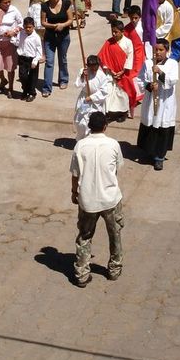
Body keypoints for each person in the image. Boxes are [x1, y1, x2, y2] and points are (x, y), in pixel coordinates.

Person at [70, 111, 124, 288]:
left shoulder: (80, 146)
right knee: (114, 234)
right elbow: (116, 168)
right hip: (110, 199)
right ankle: (114, 269)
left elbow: (75, 174)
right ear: (105, 126)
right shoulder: (113, 144)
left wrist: (74, 192)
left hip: (88, 200)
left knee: (85, 236)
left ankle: (82, 273)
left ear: (89, 127)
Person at [136, 39, 178, 171]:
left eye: (161, 50)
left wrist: (160, 73)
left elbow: (172, 81)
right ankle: (150, 152)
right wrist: (149, 86)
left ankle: (160, 157)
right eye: (156, 50)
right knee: (151, 124)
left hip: (165, 101)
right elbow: (139, 79)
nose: (158, 52)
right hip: (151, 100)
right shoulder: (148, 63)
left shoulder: (172, 64)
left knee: (162, 126)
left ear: (167, 51)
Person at [98, 21, 137, 120]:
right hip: (111, 73)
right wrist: (110, 71)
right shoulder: (108, 42)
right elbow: (103, 57)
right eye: (112, 32)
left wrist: (122, 71)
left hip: (123, 73)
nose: (114, 34)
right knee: (109, 92)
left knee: (122, 94)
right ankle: (107, 113)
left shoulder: (128, 42)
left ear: (122, 31)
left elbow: (130, 57)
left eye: (116, 32)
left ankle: (123, 113)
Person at [40, 0, 73, 97]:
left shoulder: (66, 4)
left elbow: (70, 20)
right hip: (49, 38)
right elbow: (43, 22)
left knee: (62, 59)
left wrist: (62, 25)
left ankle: (63, 80)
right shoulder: (44, 6)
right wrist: (54, 26)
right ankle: (47, 87)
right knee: (49, 62)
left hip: (64, 37)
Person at [0, 0, 24, 98]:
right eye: (5, 2)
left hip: (9, 43)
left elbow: (21, 23)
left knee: (10, 67)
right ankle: (3, 80)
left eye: (9, 2)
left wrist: (14, 31)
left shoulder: (14, 10)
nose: (8, 4)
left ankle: (11, 88)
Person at [73, 55, 111, 141]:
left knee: (93, 123)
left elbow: (104, 92)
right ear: (88, 66)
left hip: (96, 102)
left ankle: (90, 141)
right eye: (91, 69)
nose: (93, 71)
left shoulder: (102, 76)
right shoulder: (83, 71)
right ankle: (80, 140)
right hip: (84, 99)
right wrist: (82, 77)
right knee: (81, 122)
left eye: (95, 68)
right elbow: (77, 85)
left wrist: (92, 97)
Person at [16, 17, 44, 102]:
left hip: (32, 59)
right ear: (23, 26)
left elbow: (39, 51)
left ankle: (32, 93)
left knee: (33, 77)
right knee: (22, 76)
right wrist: (12, 37)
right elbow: (17, 42)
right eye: (26, 27)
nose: (28, 29)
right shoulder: (21, 34)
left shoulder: (36, 37)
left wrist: (35, 61)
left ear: (33, 26)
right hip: (22, 58)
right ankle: (25, 90)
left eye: (30, 27)